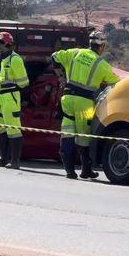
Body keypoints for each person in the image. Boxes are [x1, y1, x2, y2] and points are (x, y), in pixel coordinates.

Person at [51, 31, 120, 179]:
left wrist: (61, 77)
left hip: (67, 100)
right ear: (101, 46)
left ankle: (69, 172)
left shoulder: (74, 53)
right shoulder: (102, 64)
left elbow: (54, 57)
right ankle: (86, 170)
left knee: (67, 135)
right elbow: (117, 84)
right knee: (84, 138)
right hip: (85, 104)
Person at [0, 32, 29, 169]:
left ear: (6, 44)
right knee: (1, 129)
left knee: (13, 130)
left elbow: (24, 82)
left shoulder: (15, 60)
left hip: (10, 97)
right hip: (0, 97)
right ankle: (3, 158)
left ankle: (15, 161)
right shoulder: (3, 60)